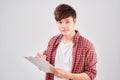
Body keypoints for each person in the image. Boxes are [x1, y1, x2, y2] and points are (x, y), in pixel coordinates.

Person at [36, 4, 97, 80]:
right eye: (60, 22)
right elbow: (47, 60)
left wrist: (67, 75)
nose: (63, 26)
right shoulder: (53, 41)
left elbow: (91, 75)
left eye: (67, 21)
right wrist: (41, 60)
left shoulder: (87, 46)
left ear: (74, 21)